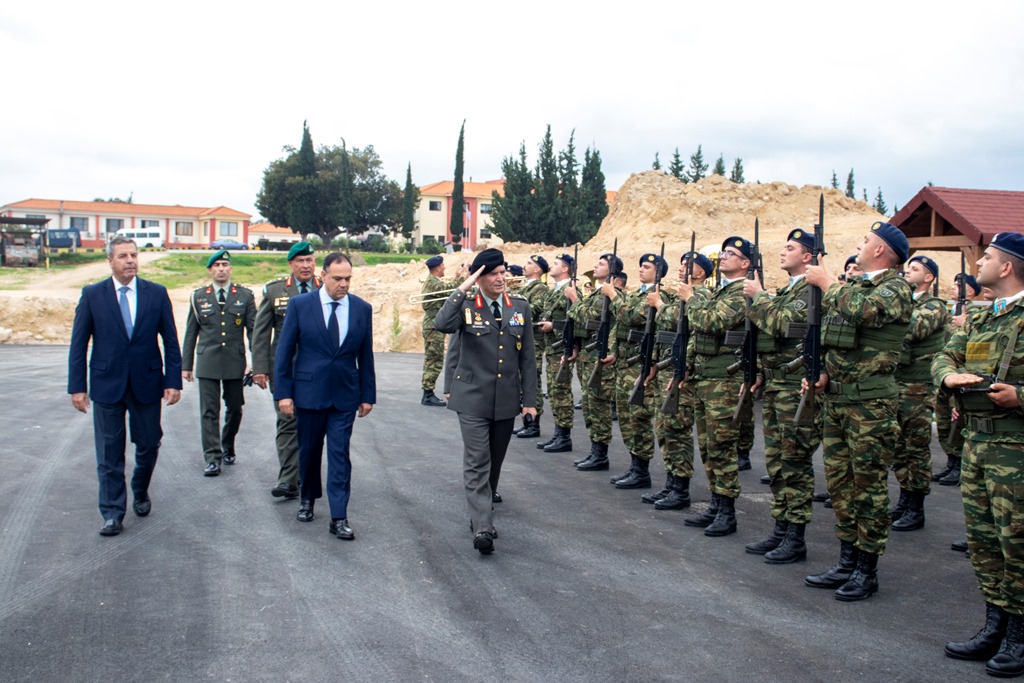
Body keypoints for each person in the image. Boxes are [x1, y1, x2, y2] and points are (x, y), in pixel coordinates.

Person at [803, 221, 913, 601]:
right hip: (838, 399)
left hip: (870, 405)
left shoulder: (896, 287)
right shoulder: (854, 286)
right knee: (840, 486)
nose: (860, 245)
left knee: (867, 489)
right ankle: (847, 559)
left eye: (866, 240)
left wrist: (827, 282)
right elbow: (841, 339)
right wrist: (822, 373)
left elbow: (865, 312)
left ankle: (867, 569)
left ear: (881, 249)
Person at [936, 232, 1024, 677]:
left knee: (1017, 541)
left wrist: (1021, 396)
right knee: (985, 541)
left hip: (1016, 446)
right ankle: (995, 623)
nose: (981, 263)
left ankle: (1019, 635)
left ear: (1006, 267)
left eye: (987, 257)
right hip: (977, 442)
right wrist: (950, 378)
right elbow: (943, 357)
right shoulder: (980, 316)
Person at [68, 236, 182, 536]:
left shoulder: (156, 293)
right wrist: (77, 387)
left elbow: (170, 340)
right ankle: (112, 512)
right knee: (109, 452)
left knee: (148, 443)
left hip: (146, 382)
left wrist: (172, 381)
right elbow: (78, 345)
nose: (130, 260)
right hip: (107, 385)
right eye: (123, 256)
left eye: (133, 255)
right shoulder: (93, 295)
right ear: (110, 260)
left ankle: (140, 488)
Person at [434, 248, 538, 555]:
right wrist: (465, 286)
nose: (501, 278)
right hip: (472, 398)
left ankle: (482, 506)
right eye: (493, 273)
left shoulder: (519, 307)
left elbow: (528, 359)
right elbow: (442, 324)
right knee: (478, 461)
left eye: (503, 272)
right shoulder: (466, 305)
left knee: (494, 462)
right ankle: (482, 526)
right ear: (480, 277)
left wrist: (530, 401)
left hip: (506, 399)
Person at [274, 252, 376, 541]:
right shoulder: (300, 306)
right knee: (308, 450)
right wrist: (284, 393)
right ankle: (307, 498)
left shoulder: (360, 309)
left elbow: (365, 355)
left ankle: (339, 516)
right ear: (324, 275)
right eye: (337, 279)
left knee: (340, 455)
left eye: (348, 279)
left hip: (345, 394)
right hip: (308, 392)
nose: (343, 284)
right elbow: (284, 353)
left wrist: (367, 395)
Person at [742, 228, 823, 563]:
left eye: (790, 248)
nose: (782, 252)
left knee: (794, 462)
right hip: (777, 385)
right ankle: (780, 527)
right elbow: (766, 338)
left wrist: (759, 296)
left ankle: (796, 536)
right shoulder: (787, 290)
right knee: (776, 461)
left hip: (795, 387)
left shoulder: (811, 290)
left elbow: (781, 324)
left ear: (808, 256)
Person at [681, 236, 753, 537]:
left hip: (724, 381)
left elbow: (709, 322)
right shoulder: (720, 290)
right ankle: (715, 502)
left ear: (746, 263)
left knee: (722, 447)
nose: (723, 257)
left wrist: (692, 298)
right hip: (705, 379)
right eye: (723, 252)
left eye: (731, 253)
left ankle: (727, 510)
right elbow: (697, 337)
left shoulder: (742, 293)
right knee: (709, 447)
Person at [251, 241, 320, 499]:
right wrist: (259, 367)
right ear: (291, 264)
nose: (305, 265)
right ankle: (289, 479)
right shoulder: (275, 291)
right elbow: (260, 334)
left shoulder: (325, 289)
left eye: (309, 260)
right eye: (300, 261)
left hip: (316, 371)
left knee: (311, 424)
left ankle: (306, 474)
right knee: (287, 421)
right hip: (285, 370)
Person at [645, 250, 713, 510]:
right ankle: (672, 483)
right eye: (682, 262)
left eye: (690, 264)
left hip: (684, 373)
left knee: (677, 429)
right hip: (668, 368)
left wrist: (660, 305)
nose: (683, 266)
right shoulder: (680, 296)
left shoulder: (701, 295)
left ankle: (681, 487)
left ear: (701, 273)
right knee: (664, 428)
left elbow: (677, 319)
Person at [181, 249, 257, 477]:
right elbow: (190, 333)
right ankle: (212, 457)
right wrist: (186, 365)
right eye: (216, 265)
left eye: (225, 264)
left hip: (235, 361)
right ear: (210, 270)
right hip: (207, 361)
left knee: (235, 408)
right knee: (209, 411)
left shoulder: (244, 296)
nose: (221, 269)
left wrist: (256, 361)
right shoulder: (199, 296)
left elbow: (254, 331)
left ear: (230, 268)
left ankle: (227, 444)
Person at [889, 255, 949, 531]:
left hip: (918, 389)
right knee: (898, 448)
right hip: (896, 385)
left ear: (929, 278)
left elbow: (911, 330)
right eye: (907, 268)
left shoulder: (934, 306)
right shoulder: (903, 304)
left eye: (915, 269)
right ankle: (904, 498)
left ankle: (917, 506)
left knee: (916, 448)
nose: (907, 272)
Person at [605, 253, 672, 490]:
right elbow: (619, 326)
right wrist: (613, 350)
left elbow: (630, 316)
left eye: (647, 267)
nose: (641, 270)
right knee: (626, 418)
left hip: (640, 366)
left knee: (638, 418)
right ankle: (635, 465)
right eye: (640, 266)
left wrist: (613, 295)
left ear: (659, 272)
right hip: (625, 363)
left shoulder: (658, 295)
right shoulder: (636, 294)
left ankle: (642, 469)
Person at [569, 252, 623, 472]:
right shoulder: (598, 293)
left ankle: (601, 454)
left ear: (612, 271)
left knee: (598, 407)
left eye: (601, 264)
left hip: (600, 358)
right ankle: (595, 451)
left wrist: (574, 299)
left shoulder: (609, 294)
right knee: (591, 407)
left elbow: (590, 320)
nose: (595, 266)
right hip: (587, 356)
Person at [933, 272, 983, 485]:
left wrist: (964, 323)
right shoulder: (949, 310)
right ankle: (952, 461)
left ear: (969, 290)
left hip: (964, 373)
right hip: (948, 373)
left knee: (957, 423)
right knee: (944, 421)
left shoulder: (976, 314)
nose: (953, 288)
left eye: (957, 285)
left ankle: (958, 463)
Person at [536, 253, 577, 453]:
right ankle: (558, 433)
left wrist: (554, 326)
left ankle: (564, 436)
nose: (551, 267)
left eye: (555, 264)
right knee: (553, 392)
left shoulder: (572, 290)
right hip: (552, 348)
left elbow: (575, 321)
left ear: (565, 269)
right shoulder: (555, 291)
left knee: (561, 392)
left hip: (563, 347)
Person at [513, 255, 550, 439]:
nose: (524, 266)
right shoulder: (524, 287)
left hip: (533, 340)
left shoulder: (540, 288)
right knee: (521, 380)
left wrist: (513, 305)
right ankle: (526, 421)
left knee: (531, 380)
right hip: (519, 337)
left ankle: (533, 423)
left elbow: (534, 309)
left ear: (537, 270)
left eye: (529, 264)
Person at [420, 255, 451, 407]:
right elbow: (450, 291)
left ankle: (428, 392)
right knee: (434, 359)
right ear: (438, 268)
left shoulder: (434, 282)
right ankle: (428, 393)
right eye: (443, 266)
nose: (445, 268)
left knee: (433, 358)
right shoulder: (433, 283)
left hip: (434, 324)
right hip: (433, 325)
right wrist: (463, 277)